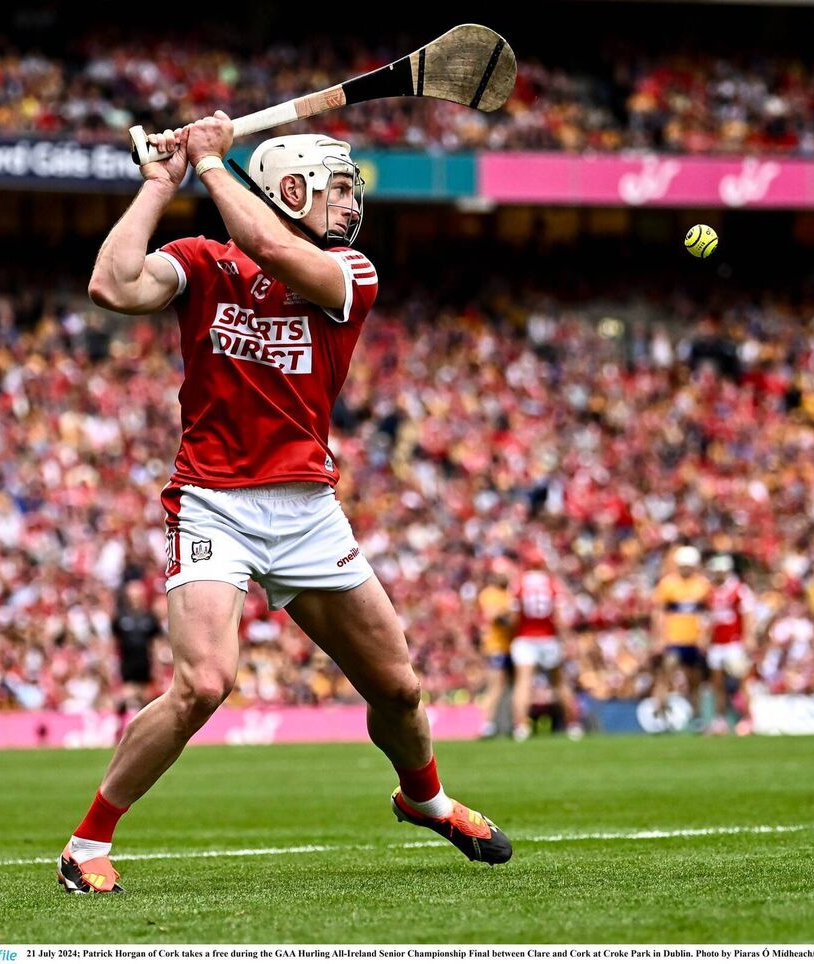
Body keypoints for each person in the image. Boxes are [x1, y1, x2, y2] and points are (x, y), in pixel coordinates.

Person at [57, 114, 510, 894]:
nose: (351, 203)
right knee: (203, 682)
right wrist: (161, 183)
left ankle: (424, 798)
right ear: (289, 188)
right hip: (213, 503)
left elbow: (272, 248)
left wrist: (211, 165)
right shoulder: (203, 263)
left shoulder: (349, 274)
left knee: (399, 687)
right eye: (335, 188)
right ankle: (86, 844)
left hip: (306, 508)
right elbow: (111, 283)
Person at [507, 545, 583, 742]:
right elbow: (558, 617)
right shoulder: (552, 583)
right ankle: (573, 724)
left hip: (525, 637)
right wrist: (567, 640)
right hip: (548, 638)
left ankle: (521, 727)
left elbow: (515, 617)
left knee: (523, 683)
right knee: (559, 683)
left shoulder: (519, 583)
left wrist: (511, 635)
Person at [650, 545, 711, 726]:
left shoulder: (702, 585)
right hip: (673, 640)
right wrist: (660, 638)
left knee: (694, 680)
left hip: (693, 641)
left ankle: (696, 715)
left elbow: (708, 615)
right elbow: (659, 613)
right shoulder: (668, 585)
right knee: (666, 675)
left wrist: (704, 637)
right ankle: (660, 713)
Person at [704, 554, 756, 735]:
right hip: (717, 644)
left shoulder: (739, 590)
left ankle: (748, 718)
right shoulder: (711, 591)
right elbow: (710, 619)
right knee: (717, 683)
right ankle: (720, 719)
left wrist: (748, 637)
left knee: (742, 682)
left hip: (734, 643)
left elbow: (748, 614)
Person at [111, 579, 163, 737]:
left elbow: (155, 643)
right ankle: (119, 728)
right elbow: (114, 642)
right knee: (126, 695)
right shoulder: (120, 617)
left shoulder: (149, 617)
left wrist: (157, 664)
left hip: (144, 663)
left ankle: (144, 730)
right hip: (127, 663)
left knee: (146, 698)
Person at [476, 559, 515, 738]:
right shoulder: (490, 593)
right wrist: (512, 614)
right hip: (496, 646)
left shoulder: (509, 593)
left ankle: (509, 724)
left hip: (511, 646)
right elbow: (495, 617)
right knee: (496, 686)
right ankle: (489, 724)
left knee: (512, 687)